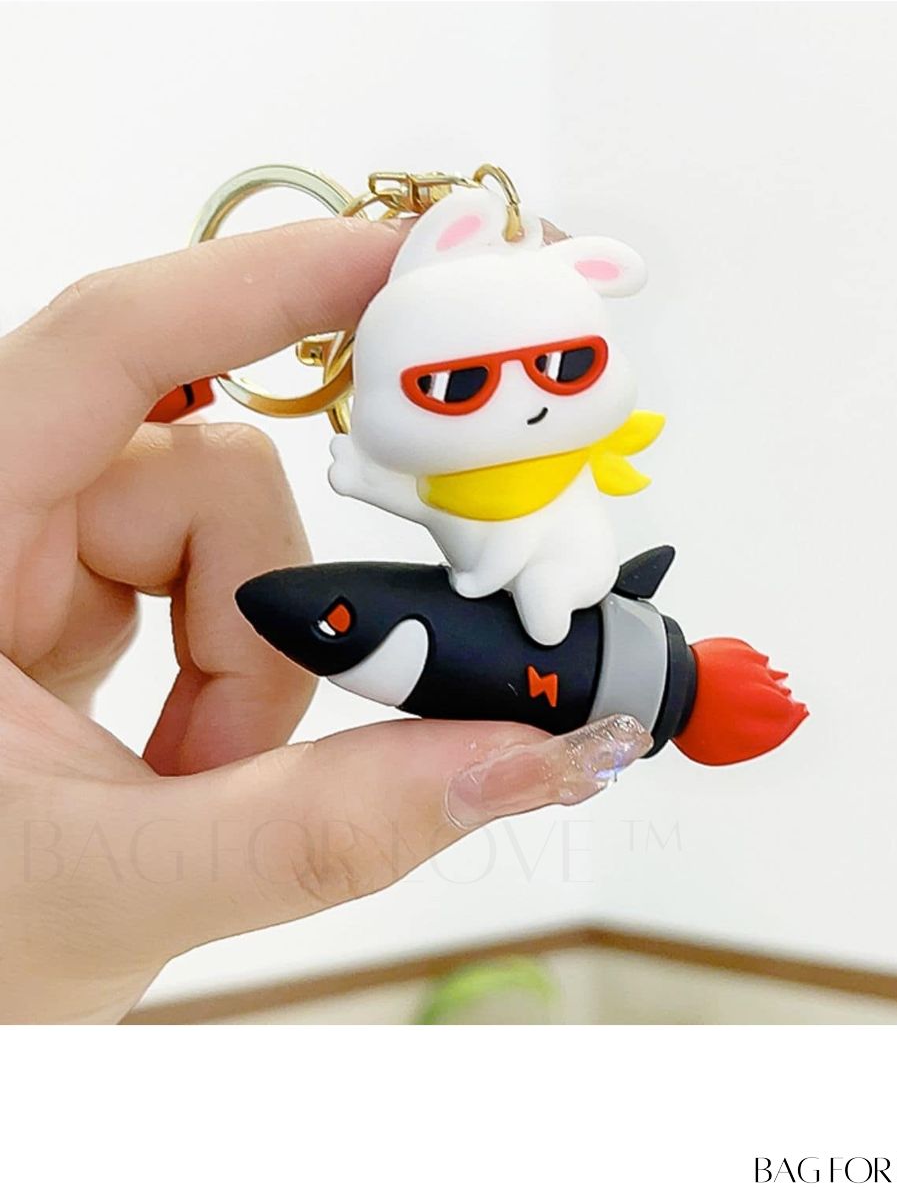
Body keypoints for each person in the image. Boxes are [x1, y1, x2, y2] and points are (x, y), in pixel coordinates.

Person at [0, 217, 651, 1024]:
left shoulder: (557, 477)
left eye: (565, 367)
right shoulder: (447, 475)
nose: (523, 403)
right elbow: (425, 496)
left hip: (565, 576)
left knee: (550, 591)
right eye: (458, 386)